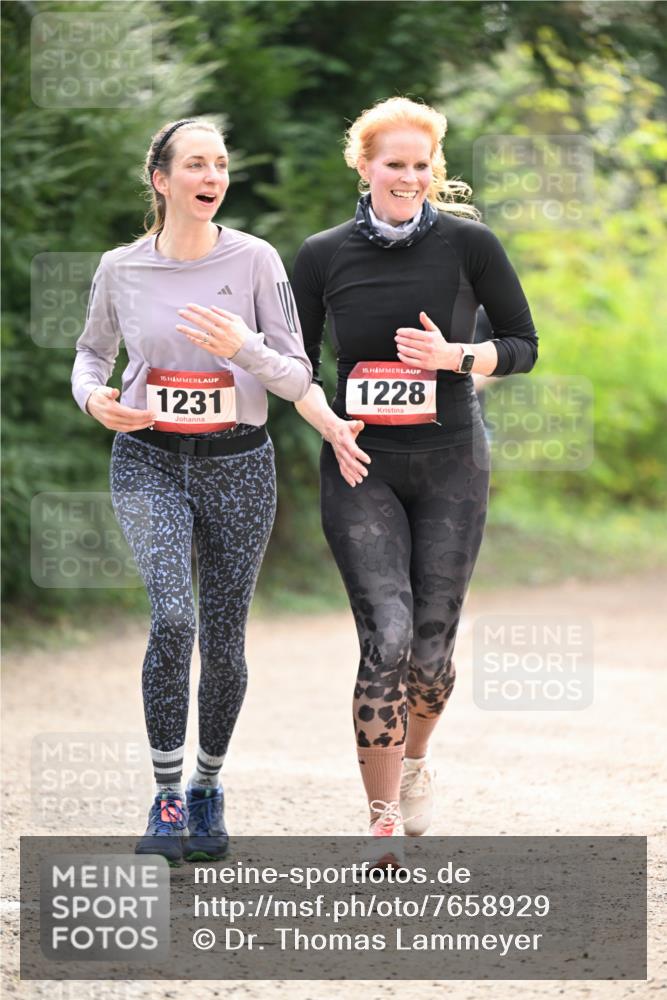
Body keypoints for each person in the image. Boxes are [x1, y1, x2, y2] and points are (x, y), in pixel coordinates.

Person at [291, 97, 537, 865]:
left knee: (430, 657)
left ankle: (417, 759)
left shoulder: (469, 245)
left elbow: (522, 344)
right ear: (363, 168)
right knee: (386, 638)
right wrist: (328, 423)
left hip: (451, 463)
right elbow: (292, 363)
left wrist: (455, 358)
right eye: (393, 164)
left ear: (434, 170)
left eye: (420, 165)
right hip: (359, 464)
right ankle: (380, 821)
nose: (408, 177)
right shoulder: (322, 255)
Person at [71, 118, 312, 864]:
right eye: (197, 164)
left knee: (224, 636)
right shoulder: (120, 267)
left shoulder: (256, 259)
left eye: (221, 164)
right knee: (174, 619)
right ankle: (167, 794)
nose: (213, 177)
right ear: (162, 179)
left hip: (238, 462)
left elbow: (298, 375)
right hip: (147, 459)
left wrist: (243, 348)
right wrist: (93, 399)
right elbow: (91, 354)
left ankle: (207, 786)